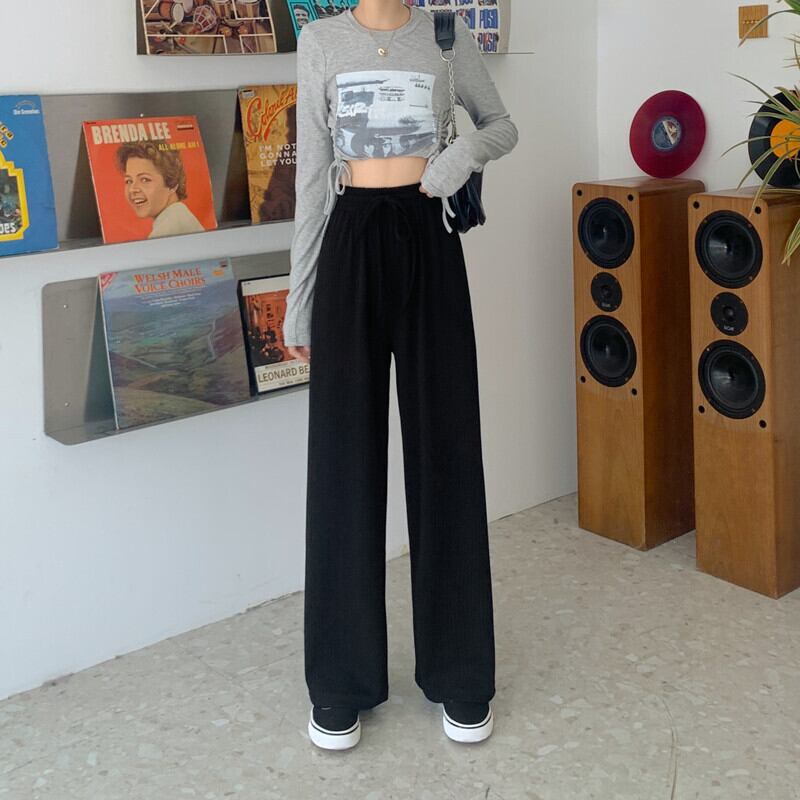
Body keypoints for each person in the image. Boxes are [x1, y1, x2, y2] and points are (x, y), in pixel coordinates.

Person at [282, 0, 519, 751]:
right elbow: (312, 179)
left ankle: (461, 673)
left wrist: (462, 156)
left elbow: (501, 124)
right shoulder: (320, 41)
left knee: (447, 452)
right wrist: (298, 302)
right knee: (342, 461)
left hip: (429, 240)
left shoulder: (445, 35)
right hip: (349, 240)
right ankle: (339, 683)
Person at [115, 141, 205, 238]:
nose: (132, 189)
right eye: (129, 181)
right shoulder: (178, 215)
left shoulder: (168, 228)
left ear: (172, 184)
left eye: (145, 179)